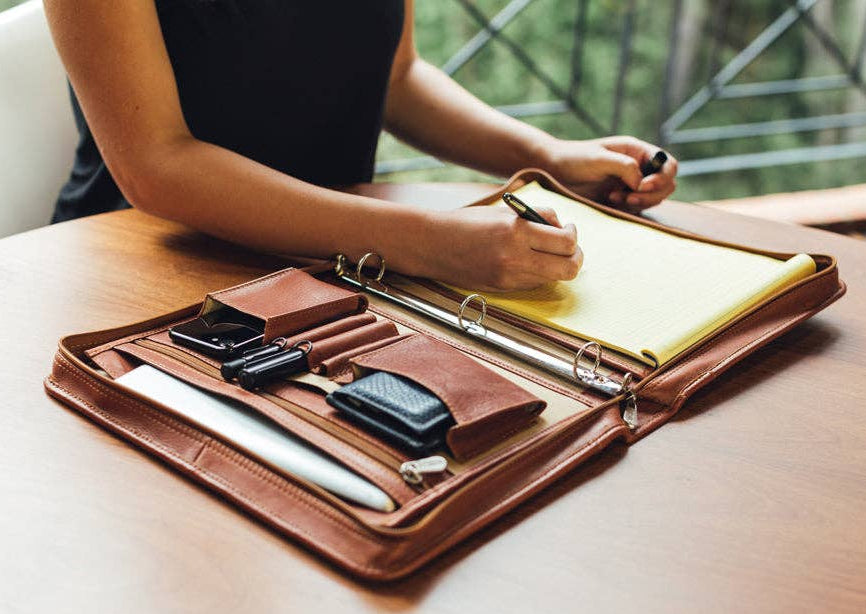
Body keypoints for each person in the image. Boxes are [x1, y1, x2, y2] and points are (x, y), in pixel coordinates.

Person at [44, 0, 677, 291]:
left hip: (335, 270)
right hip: (147, 279)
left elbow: (397, 77)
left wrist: (547, 155)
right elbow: (154, 164)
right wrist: (424, 242)